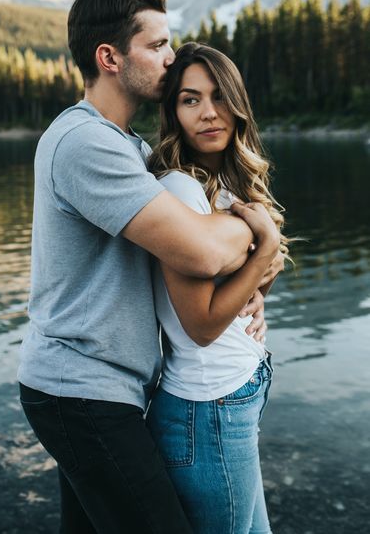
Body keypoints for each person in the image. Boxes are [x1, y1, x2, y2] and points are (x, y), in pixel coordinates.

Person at [17, 0, 283, 534]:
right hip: (81, 390)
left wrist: (257, 260)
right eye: (157, 45)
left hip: (106, 385)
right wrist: (258, 238)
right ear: (109, 58)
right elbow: (202, 251)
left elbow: (214, 244)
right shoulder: (83, 144)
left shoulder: (130, 148)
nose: (170, 57)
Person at [146, 41, 289, 534]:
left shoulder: (225, 181)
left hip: (231, 398)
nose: (208, 113)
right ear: (174, 112)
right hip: (206, 409)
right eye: (190, 100)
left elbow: (236, 293)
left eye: (218, 96)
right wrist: (266, 246)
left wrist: (257, 297)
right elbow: (201, 325)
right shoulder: (182, 188)